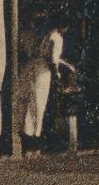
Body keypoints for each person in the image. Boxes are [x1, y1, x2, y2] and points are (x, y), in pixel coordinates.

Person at [17, 18, 75, 153]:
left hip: (31, 67)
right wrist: (57, 75)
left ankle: (27, 136)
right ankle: (34, 139)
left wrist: (68, 65)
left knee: (29, 102)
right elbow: (53, 60)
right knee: (39, 104)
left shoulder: (46, 35)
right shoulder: (58, 38)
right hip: (42, 71)